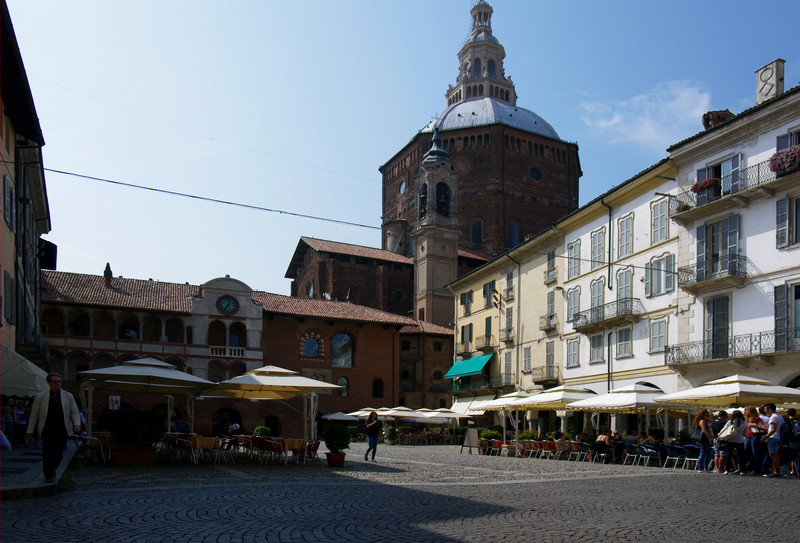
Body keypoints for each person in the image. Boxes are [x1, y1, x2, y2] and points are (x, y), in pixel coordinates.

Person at [26, 373, 81, 483]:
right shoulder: (41, 396)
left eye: (59, 381)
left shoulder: (67, 396)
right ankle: (48, 473)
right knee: (48, 451)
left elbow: (74, 411)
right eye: (55, 381)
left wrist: (76, 424)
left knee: (59, 452)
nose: (57, 384)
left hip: (61, 427)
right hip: (47, 427)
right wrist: (30, 430)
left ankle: (52, 469)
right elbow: (34, 414)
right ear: (49, 383)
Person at [760, 403, 785, 478]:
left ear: (770, 409)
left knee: (773, 455)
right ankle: (777, 471)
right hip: (778, 437)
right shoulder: (780, 416)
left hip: (773, 437)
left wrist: (765, 437)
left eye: (765, 409)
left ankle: (776, 472)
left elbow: (773, 430)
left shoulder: (773, 417)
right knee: (774, 455)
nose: (764, 411)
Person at [742, 405, 767, 475]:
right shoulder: (746, 419)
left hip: (755, 436)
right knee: (746, 452)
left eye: (747, 410)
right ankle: (747, 468)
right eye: (745, 410)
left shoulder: (757, 418)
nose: (745, 412)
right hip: (747, 436)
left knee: (755, 453)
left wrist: (754, 425)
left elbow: (765, 428)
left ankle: (755, 469)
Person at [784, 408, 800, 478]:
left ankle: (793, 470)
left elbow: (785, 432)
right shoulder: (798, 421)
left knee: (793, 456)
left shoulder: (787, 422)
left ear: (787, 413)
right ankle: (797, 470)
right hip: (799, 438)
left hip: (792, 440)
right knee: (798, 455)